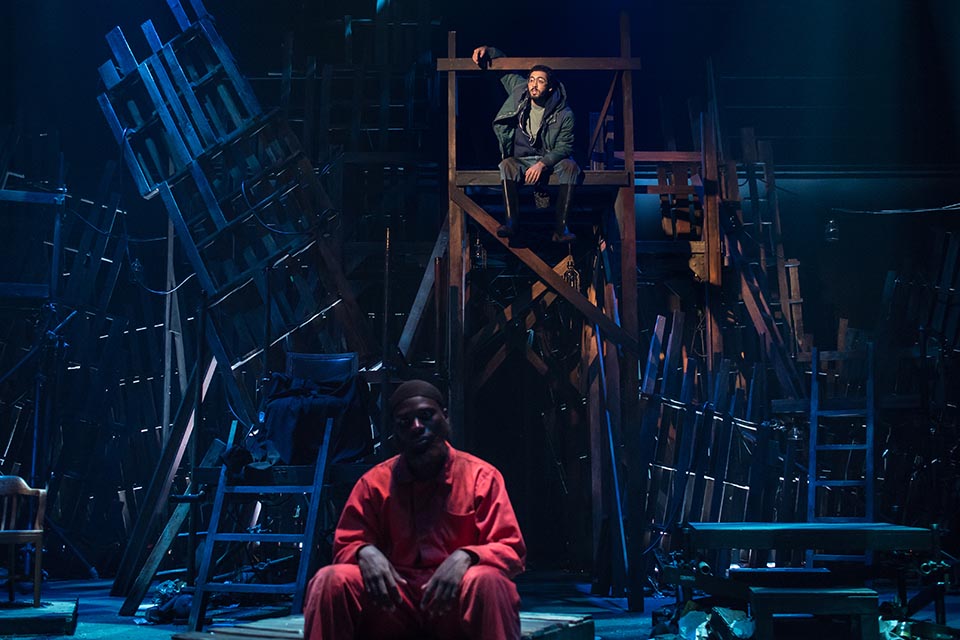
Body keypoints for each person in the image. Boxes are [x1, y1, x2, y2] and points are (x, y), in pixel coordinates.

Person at [303, 379, 526, 640]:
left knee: (489, 582)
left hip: (454, 602)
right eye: (405, 422)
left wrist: (467, 556)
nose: (417, 427)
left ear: (445, 417)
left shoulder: (481, 478)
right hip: (392, 604)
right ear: (395, 433)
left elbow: (511, 549)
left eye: (426, 416)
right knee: (330, 580)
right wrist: (363, 551)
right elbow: (344, 545)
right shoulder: (374, 484)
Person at [472, 45, 581, 243]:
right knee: (506, 165)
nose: (534, 85)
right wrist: (489, 51)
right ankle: (511, 223)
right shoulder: (520, 90)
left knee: (570, 166)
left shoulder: (564, 113)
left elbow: (565, 147)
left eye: (540, 81)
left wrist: (542, 164)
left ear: (549, 87)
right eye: (531, 79)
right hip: (523, 159)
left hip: (549, 159)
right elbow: (505, 70)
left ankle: (561, 228)